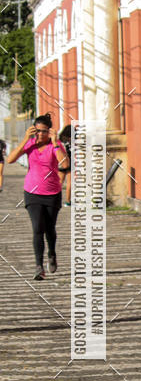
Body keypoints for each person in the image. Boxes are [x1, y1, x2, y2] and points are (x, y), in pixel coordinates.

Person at [6, 112, 69, 280]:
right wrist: (25, 140)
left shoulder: (55, 146)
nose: (40, 134)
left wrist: (55, 143)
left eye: (44, 131)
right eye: (37, 131)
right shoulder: (30, 144)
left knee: (50, 229)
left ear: (49, 131)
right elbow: (10, 159)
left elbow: (65, 164)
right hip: (32, 193)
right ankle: (39, 266)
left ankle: (52, 253)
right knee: (37, 228)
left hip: (52, 193)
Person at [58, 124, 72, 205]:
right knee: (69, 183)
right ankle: (68, 201)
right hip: (70, 163)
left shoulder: (60, 140)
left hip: (61, 163)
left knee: (60, 182)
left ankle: (57, 199)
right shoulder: (72, 141)